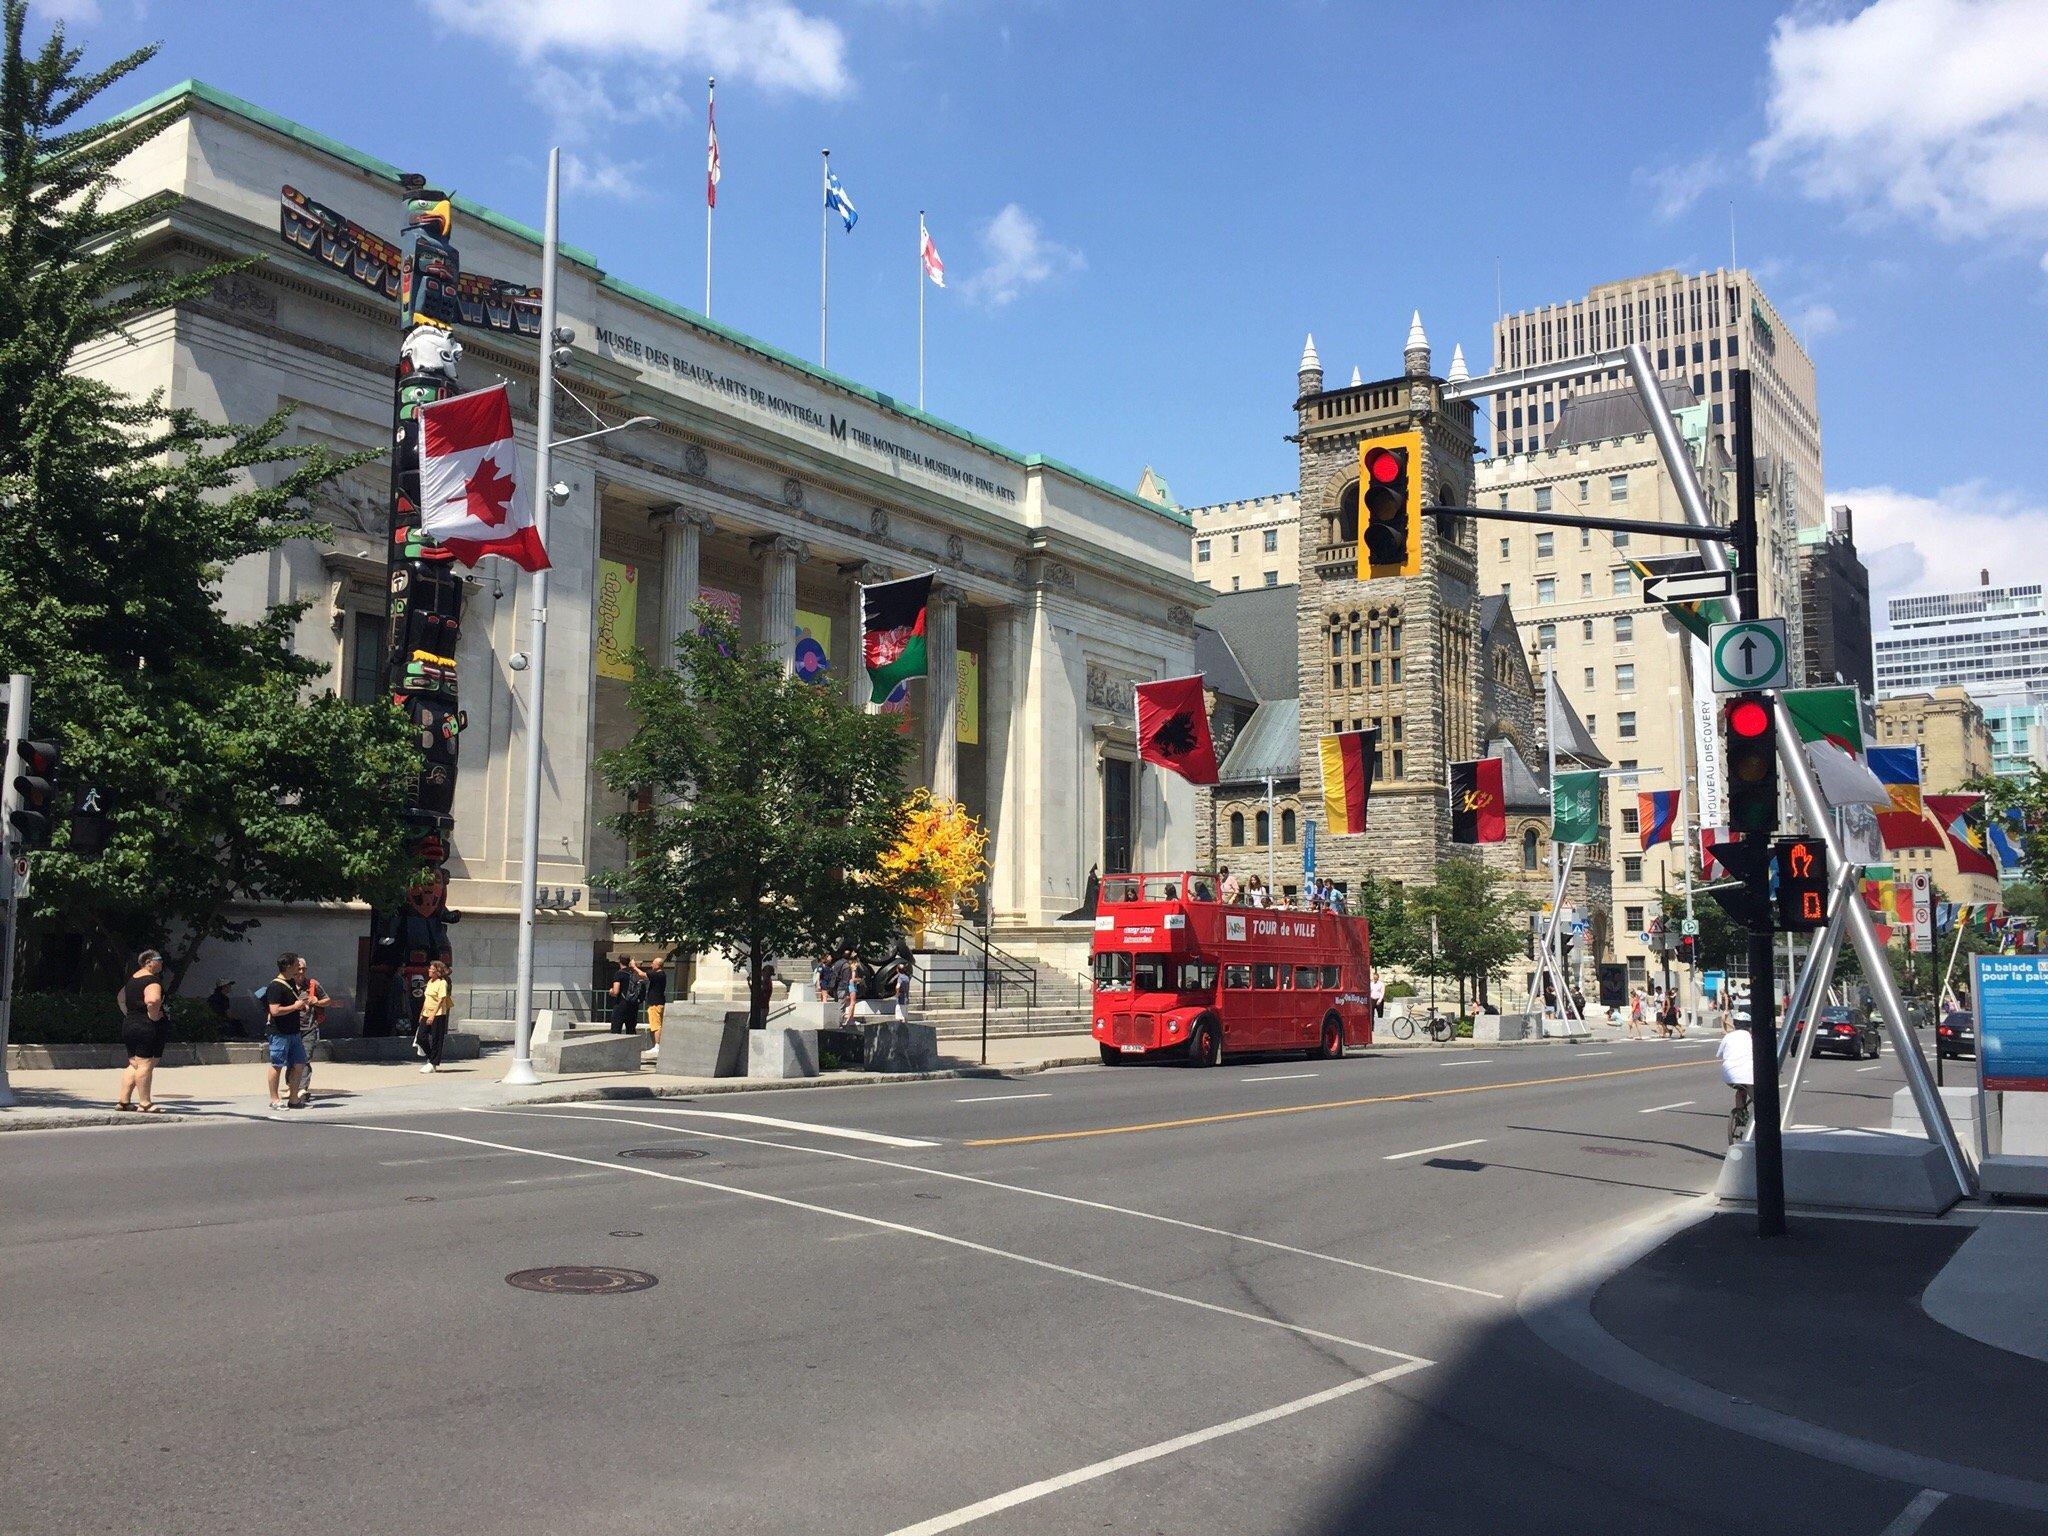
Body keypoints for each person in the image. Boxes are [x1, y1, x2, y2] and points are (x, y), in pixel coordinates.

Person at [115, 949, 169, 1113]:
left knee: (134, 1064)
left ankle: (124, 1101)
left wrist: (129, 1013)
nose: (161, 963)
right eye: (159, 959)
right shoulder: (152, 980)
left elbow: (120, 997)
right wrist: (153, 1016)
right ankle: (145, 1103)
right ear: (149, 961)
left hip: (130, 1024)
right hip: (146, 1027)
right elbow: (153, 1000)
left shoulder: (132, 979)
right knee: (146, 1064)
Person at [264, 953, 311, 1111]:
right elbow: (275, 1010)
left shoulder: (290, 982)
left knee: (299, 1064)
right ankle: (274, 1100)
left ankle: (293, 1099)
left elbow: (295, 1002)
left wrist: (302, 1005)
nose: (299, 967)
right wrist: (295, 1007)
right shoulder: (275, 986)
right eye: (297, 964)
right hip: (279, 1033)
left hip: (294, 1032)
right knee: (277, 1064)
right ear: (288, 966)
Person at [1719, 1010, 1757, 1143]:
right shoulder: (1752, 1038)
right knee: (1759, 1100)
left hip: (1729, 1076)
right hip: (1749, 1075)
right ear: (1749, 1025)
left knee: (1740, 1090)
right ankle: (1757, 1123)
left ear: (1735, 1024)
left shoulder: (1728, 1036)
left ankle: (1740, 1116)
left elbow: (1719, 1054)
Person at [297, 971, 330, 1102]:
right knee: (292, 1059)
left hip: (309, 1028)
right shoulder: (287, 985)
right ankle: (291, 1086)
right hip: (291, 1029)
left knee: (305, 1058)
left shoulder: (313, 984)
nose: (300, 972)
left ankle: (302, 1089)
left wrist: (317, 1001)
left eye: (303, 969)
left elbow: (327, 1000)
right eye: (298, 968)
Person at [417, 959, 453, 1072]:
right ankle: (431, 1057)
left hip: (437, 1014)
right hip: (426, 1013)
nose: (429, 971)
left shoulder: (442, 983)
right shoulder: (430, 982)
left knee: (436, 1039)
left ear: (437, 972)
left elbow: (440, 1000)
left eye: (432, 970)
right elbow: (426, 998)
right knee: (421, 1037)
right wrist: (422, 1013)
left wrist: (433, 1015)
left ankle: (433, 1063)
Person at [608, 955, 644, 1034]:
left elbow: (616, 991)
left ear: (619, 962)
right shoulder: (634, 973)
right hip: (633, 1005)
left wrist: (611, 991)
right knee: (631, 1030)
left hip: (621, 1004)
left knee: (616, 1030)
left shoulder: (619, 973)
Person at [643, 956, 669, 1048]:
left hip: (655, 1003)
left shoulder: (659, 974)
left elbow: (644, 974)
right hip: (658, 1003)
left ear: (658, 965)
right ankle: (656, 1045)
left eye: (653, 963)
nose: (651, 965)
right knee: (656, 1024)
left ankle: (657, 1045)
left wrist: (634, 967)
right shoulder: (660, 975)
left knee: (656, 1025)